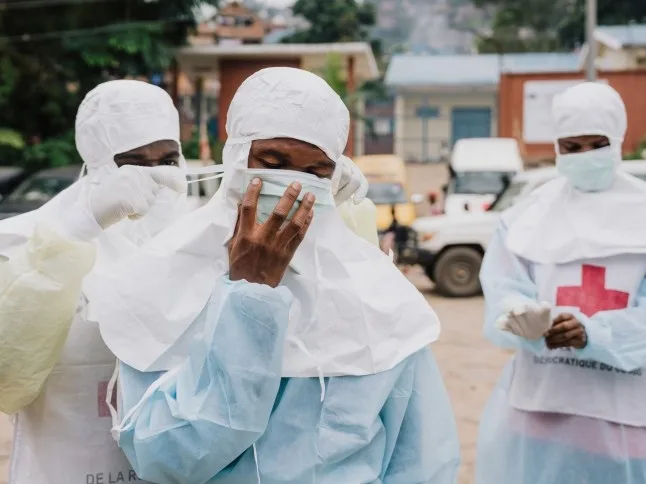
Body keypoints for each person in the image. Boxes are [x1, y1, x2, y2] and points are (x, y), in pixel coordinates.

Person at [87, 67, 460, 483]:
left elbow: (424, 463)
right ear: (236, 158)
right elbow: (168, 459)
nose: (291, 188)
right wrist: (250, 295)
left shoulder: (379, 298)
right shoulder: (163, 280)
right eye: (273, 162)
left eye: (315, 172)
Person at [0, 80, 190, 483]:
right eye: (133, 161)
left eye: (168, 160)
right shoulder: (23, 241)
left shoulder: (196, 239)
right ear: (98, 159)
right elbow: (7, 380)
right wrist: (79, 232)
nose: (154, 175)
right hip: (63, 468)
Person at [476, 82, 646, 484]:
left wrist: (594, 333)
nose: (584, 157)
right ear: (556, 147)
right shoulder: (526, 217)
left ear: (618, 141)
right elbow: (504, 293)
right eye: (571, 147)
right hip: (540, 413)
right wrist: (524, 320)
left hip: (626, 420)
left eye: (596, 144)